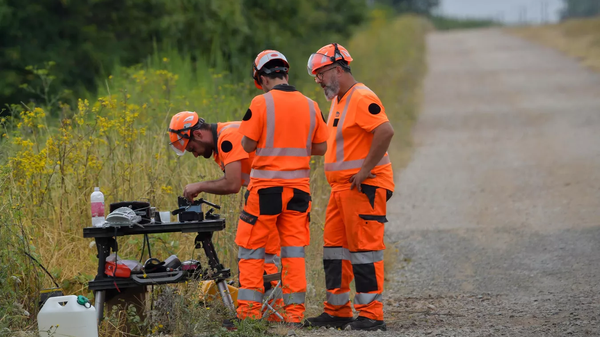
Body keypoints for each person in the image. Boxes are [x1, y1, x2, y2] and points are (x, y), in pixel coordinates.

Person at [230, 49, 328, 326]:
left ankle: (249, 316)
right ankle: (294, 316)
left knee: (252, 250)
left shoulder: (261, 104)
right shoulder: (310, 105)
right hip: (298, 192)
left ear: (260, 78)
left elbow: (246, 144)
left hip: (265, 192)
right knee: (293, 253)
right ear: (286, 73)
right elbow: (321, 146)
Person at [304, 43, 395, 331]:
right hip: (341, 190)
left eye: (321, 74)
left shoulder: (361, 96)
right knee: (334, 250)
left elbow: (385, 131)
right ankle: (338, 311)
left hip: (363, 188)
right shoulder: (338, 100)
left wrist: (365, 171)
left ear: (338, 70)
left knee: (364, 250)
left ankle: (371, 314)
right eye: (315, 75)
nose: (318, 80)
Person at [167, 112, 281, 304]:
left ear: (198, 135)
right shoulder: (223, 138)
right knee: (266, 252)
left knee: (254, 251)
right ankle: (269, 309)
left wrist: (200, 185)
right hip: (269, 191)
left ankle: (256, 311)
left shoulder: (228, 138)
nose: (194, 154)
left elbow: (232, 184)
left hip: (269, 192)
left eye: (192, 148)